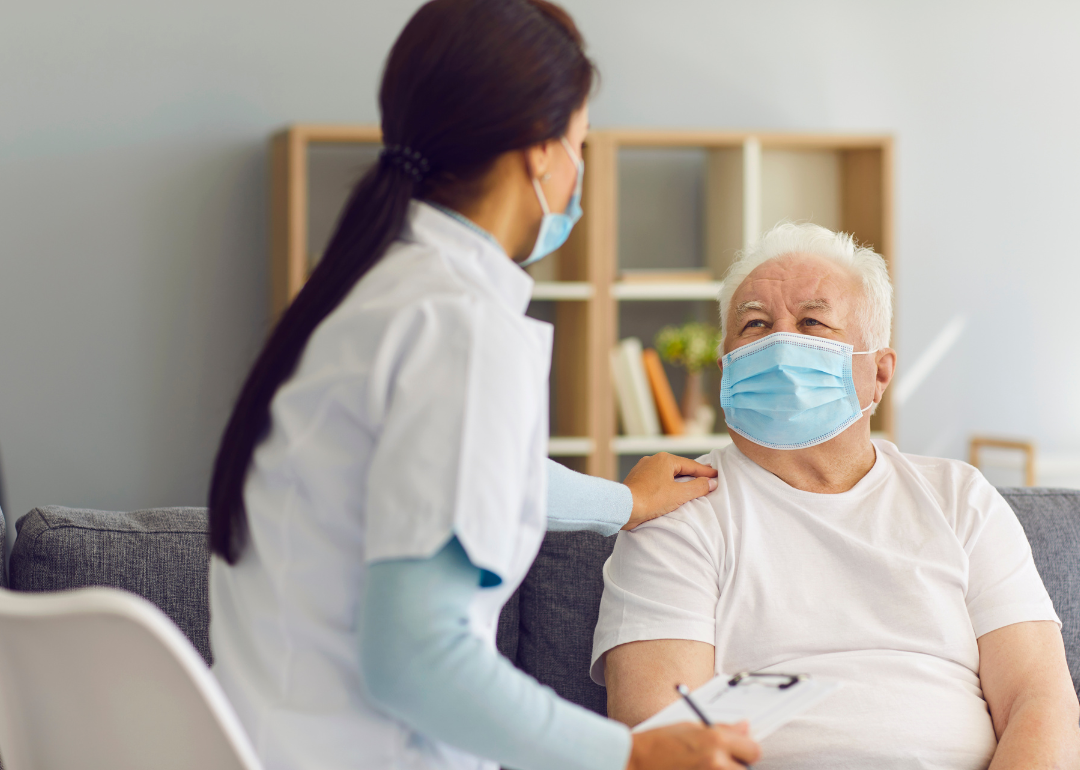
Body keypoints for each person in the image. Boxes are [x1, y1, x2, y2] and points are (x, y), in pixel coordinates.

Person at [206, 2, 760, 769]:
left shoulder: (369, 297)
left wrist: (622, 504)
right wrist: (634, 756)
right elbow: (417, 661)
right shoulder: (461, 328)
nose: (580, 172)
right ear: (541, 154)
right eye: (581, 144)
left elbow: (448, 472)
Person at [592, 222, 1080, 769]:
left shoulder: (960, 498)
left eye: (812, 322)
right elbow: (661, 737)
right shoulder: (677, 509)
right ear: (725, 366)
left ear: (880, 374)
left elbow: (1041, 703)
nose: (780, 343)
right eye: (753, 324)